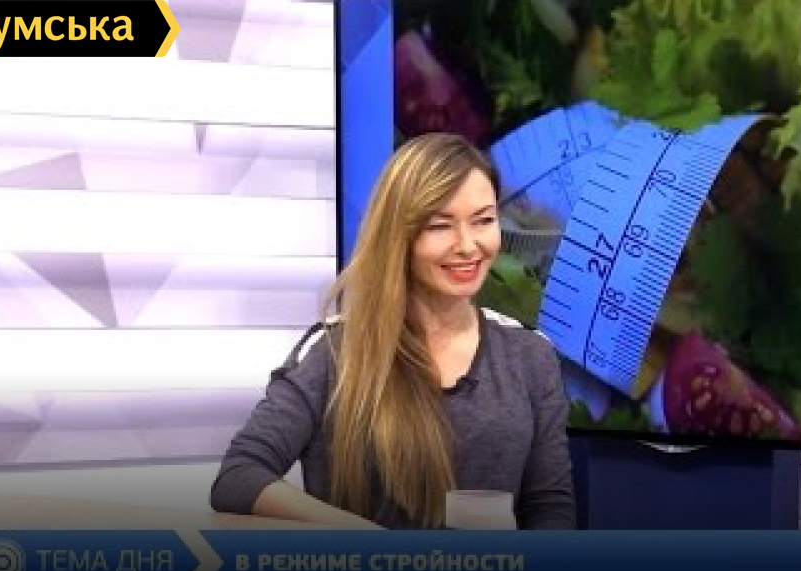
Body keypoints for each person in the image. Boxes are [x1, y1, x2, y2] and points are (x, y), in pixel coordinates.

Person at [210, 132, 576, 529]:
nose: (468, 245)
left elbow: (550, 511)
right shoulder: (334, 351)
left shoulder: (530, 355)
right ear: (399, 235)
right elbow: (239, 477)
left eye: (483, 221)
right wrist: (359, 537)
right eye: (440, 226)